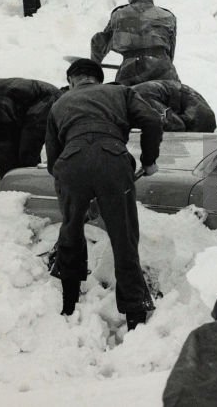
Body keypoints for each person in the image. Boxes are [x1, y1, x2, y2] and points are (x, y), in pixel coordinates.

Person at [46, 59, 163, 329]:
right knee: (123, 237)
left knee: (71, 229)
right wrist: (149, 159)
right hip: (113, 159)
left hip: (70, 160)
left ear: (72, 80)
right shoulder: (121, 92)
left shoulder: (59, 104)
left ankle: (69, 300)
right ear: (98, 79)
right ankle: (135, 312)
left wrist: (72, 181)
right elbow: (152, 120)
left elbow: (52, 160)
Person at [90, 0, 178, 86]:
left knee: (123, 100)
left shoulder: (119, 14)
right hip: (165, 71)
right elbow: (170, 51)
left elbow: (101, 42)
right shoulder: (168, 16)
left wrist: (94, 66)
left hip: (131, 72)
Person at [0, 77, 61, 177]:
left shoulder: (51, 92)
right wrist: (30, 171)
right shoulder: (56, 102)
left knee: (11, 164)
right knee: (13, 170)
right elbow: (33, 135)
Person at [132, 80, 216, 132]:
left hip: (197, 115)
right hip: (190, 104)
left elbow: (177, 126)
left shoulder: (139, 99)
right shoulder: (130, 97)